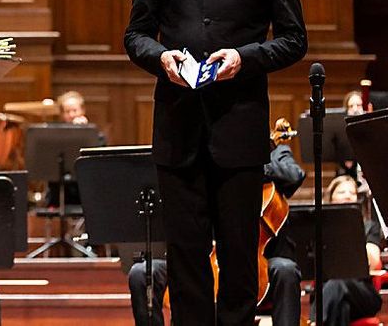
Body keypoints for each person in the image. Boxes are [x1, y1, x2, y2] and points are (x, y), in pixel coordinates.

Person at [123, 0, 307, 326]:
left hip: (240, 137)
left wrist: (244, 59)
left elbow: (293, 40)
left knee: (240, 264)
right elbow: (135, 36)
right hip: (178, 135)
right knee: (185, 269)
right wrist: (162, 59)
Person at [128, 137, 306, 326]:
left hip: (252, 257)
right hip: (197, 252)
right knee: (141, 272)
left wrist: (247, 169)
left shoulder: (275, 153)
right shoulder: (191, 158)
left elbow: (293, 175)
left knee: (286, 270)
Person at [310, 176, 382, 326]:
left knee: (338, 282)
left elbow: (374, 262)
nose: (348, 195)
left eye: (352, 192)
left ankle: (316, 321)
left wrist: (351, 231)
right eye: (342, 192)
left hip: (362, 293)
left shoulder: (369, 227)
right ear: (331, 198)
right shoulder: (321, 229)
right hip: (331, 292)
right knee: (342, 307)